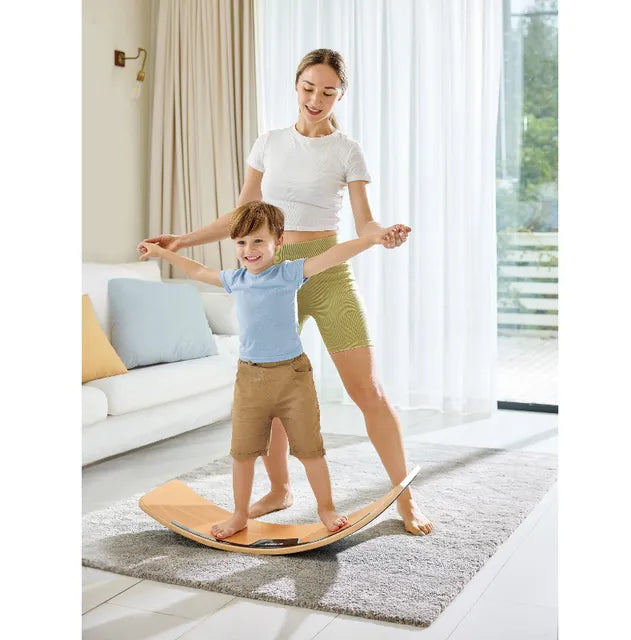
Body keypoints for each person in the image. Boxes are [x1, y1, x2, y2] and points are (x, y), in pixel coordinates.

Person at [139, 48, 433, 535]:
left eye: (328, 92)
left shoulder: (347, 151)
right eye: (308, 88)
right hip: (270, 277)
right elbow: (243, 217)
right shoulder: (270, 143)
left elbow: (365, 221)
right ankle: (279, 490)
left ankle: (406, 497)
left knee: (369, 390)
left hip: (325, 274)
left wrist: (381, 235)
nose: (315, 99)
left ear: (341, 95)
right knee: (270, 386)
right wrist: (183, 240)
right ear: (296, 85)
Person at [139, 200, 399, 539]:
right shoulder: (235, 279)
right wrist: (163, 253)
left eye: (258, 241)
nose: (249, 250)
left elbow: (334, 256)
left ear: (279, 241)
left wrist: (372, 239)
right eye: (242, 242)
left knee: (310, 450)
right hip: (250, 380)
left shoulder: (289, 273)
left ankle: (326, 508)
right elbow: (197, 271)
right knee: (243, 454)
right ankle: (239, 516)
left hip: (293, 378)